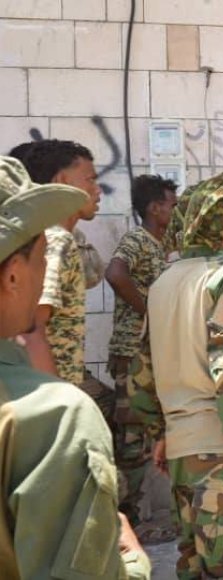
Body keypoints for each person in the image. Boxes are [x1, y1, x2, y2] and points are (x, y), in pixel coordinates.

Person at [0, 155, 151, 579]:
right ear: (13, 276)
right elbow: (36, 329)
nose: (97, 188)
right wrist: (134, 563)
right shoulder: (51, 418)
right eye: (39, 260)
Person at [132, 173, 223, 577]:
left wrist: (160, 433)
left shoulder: (163, 282)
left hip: (181, 452)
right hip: (222, 454)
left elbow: (141, 372)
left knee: (193, 564)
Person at [105, 174, 178, 536]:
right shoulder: (137, 239)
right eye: (171, 204)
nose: (175, 210)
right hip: (132, 352)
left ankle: (133, 517)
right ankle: (125, 524)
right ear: (154, 208)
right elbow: (115, 274)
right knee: (132, 441)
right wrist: (149, 311)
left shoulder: (163, 242)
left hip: (151, 354)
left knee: (148, 436)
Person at [9, 140, 103, 396]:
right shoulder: (56, 241)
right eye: (90, 179)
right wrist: (56, 404)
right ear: (62, 180)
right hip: (43, 390)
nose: (97, 190)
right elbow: (30, 330)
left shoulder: (45, 237)